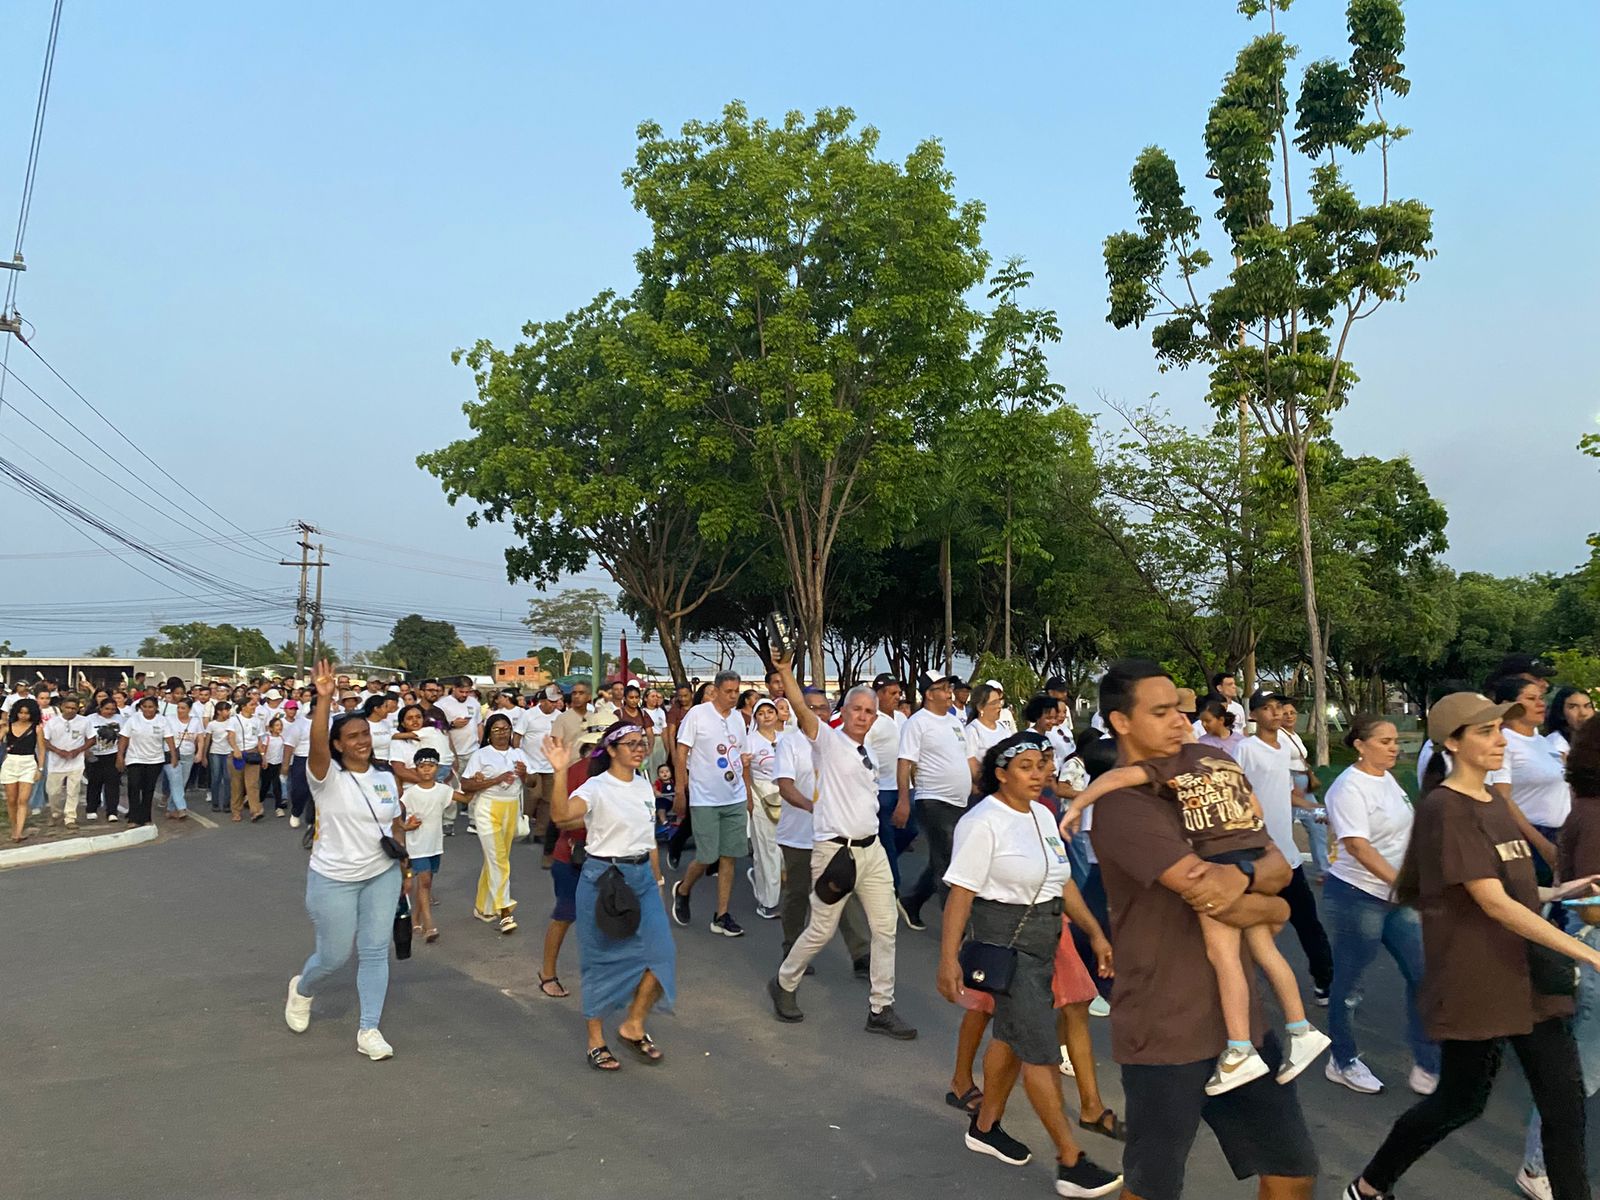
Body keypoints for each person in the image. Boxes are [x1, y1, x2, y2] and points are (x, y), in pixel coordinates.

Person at [1344, 692, 1600, 1200]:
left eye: (1499, 730)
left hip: (1529, 976)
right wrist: (1590, 953)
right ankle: (1370, 1187)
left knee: (1565, 1108)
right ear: (1452, 742)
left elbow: (1511, 889)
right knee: (1460, 1102)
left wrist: (1560, 890)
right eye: (1484, 732)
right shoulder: (1447, 808)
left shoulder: (1492, 802)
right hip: (1478, 980)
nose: (1499, 739)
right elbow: (1493, 903)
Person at [1089, 658, 1319, 1200]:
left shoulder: (1203, 767)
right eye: (1161, 711)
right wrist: (1274, 908)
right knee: (1154, 1185)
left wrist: (1245, 875)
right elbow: (1211, 893)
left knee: (1292, 1171)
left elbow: (1278, 866)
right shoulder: (1125, 809)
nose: (1179, 722)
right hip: (1165, 1026)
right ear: (1121, 722)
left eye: (1181, 710)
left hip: (1241, 1027)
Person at [1062, 737, 1331, 1096]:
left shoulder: (1168, 763)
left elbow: (1116, 778)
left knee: (1223, 956)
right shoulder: (1221, 760)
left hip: (1219, 860)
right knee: (1264, 949)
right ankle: (1301, 1029)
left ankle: (1239, 1050)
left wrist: (1078, 803)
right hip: (1251, 848)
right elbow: (1255, 809)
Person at [935, 732, 1122, 1198]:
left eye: (1043, 764)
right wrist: (947, 959)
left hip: (1046, 938)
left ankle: (985, 1126)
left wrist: (1096, 934)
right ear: (1001, 774)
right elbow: (961, 893)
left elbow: (1063, 882)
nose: (1039, 773)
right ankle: (1070, 1159)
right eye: (1026, 766)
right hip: (1007, 945)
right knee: (1038, 1050)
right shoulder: (982, 822)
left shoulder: (1042, 814)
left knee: (1012, 1038)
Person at [765, 648, 916, 1040]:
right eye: (857, 710)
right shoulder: (829, 743)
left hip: (871, 851)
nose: (863, 716)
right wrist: (785, 670)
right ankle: (784, 983)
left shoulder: (867, 754)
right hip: (835, 853)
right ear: (842, 712)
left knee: (886, 929)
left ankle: (881, 1008)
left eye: (869, 711)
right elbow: (801, 709)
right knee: (821, 930)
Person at [282, 659, 415, 1062]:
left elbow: (395, 824)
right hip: (334, 878)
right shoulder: (326, 777)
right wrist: (324, 699)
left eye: (365, 734)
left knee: (375, 950)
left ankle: (369, 1029)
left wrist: (404, 868)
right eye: (352, 736)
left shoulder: (385, 777)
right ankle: (302, 988)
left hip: (381, 875)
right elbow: (317, 743)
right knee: (335, 956)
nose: (362, 740)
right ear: (338, 744)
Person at [1318, 715, 1439, 1097]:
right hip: (1358, 896)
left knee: (1423, 975)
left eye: (1395, 742)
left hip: (1398, 896)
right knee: (1351, 985)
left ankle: (1428, 1061)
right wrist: (1401, 885)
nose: (1394, 748)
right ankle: (1342, 1059)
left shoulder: (1389, 780)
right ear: (1360, 744)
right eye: (1384, 741)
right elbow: (1357, 846)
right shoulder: (1348, 788)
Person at [548, 722, 677, 1070]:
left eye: (643, 743)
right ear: (612, 750)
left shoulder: (643, 784)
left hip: (642, 878)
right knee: (600, 960)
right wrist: (560, 773)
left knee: (661, 956)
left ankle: (632, 1025)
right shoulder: (596, 787)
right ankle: (595, 1039)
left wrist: (658, 878)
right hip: (604, 877)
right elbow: (561, 817)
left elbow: (648, 837)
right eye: (631, 743)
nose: (639, 748)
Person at [1519, 717, 1600, 1200]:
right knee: (1579, 1073)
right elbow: (1589, 902)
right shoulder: (1593, 816)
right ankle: (1535, 1165)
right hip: (1592, 947)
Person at [1234, 691, 1335, 1004]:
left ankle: (1325, 982)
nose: (1275, 713)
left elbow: (1285, 793)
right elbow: (1235, 792)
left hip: (1288, 856)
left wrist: (1314, 809)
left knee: (1308, 921)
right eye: (1267, 708)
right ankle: (1239, 985)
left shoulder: (1283, 751)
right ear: (1253, 715)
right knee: (1251, 925)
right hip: (1257, 856)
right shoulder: (1245, 749)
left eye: (1278, 707)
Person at [774, 687, 872, 975]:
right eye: (811, 708)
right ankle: (792, 948)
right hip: (798, 835)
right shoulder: (789, 744)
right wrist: (811, 806)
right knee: (799, 893)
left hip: (835, 835)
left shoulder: (842, 743)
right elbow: (785, 785)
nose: (818, 713)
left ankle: (861, 953)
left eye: (823, 708)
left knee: (844, 890)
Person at [670, 671, 753, 938]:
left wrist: (748, 793)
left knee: (728, 856)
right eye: (728, 691)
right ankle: (683, 889)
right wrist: (681, 790)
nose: (733, 696)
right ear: (715, 691)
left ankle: (721, 915)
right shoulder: (698, 714)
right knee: (707, 856)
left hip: (734, 796)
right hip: (704, 797)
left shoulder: (739, 719)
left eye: (736, 691)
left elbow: (742, 757)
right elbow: (681, 751)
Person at [898, 674, 975, 932]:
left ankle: (913, 901)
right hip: (933, 800)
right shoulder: (917, 723)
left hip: (960, 801)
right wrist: (903, 801)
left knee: (941, 859)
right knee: (949, 864)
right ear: (929, 694)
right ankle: (958, 929)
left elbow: (966, 759)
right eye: (943, 688)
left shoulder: (954, 722)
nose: (949, 693)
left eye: (949, 688)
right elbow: (905, 762)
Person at [1488, 675, 1569, 884]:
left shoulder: (1543, 742)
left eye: (1541, 698)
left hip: (1560, 833)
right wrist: (1541, 844)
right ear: (1509, 705)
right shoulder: (1504, 743)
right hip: (1531, 837)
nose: (1541, 704)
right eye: (1531, 699)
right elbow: (1502, 797)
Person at [461, 712, 526, 934]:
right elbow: (466, 784)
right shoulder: (481, 755)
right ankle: (505, 911)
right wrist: (495, 780)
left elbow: (534, 782)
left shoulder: (518, 754)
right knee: (498, 859)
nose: (502, 734)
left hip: (511, 808)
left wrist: (524, 774)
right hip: (487, 809)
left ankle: (483, 907)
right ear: (489, 733)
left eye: (506, 729)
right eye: (496, 730)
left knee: (497, 859)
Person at [400, 748, 462, 944]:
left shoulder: (443, 790)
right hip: (416, 845)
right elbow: (394, 814)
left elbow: (466, 798)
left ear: (437, 767)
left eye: (431, 766)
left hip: (435, 845)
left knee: (426, 883)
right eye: (422, 766)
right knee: (425, 882)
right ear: (416, 768)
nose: (426, 770)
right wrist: (404, 826)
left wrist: (476, 781)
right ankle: (429, 925)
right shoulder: (409, 793)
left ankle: (415, 919)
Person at [866, 674, 913, 892]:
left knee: (910, 830)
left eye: (898, 693)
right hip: (881, 788)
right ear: (879, 694)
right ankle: (892, 889)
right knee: (888, 839)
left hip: (904, 787)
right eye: (892, 693)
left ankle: (878, 864)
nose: (897, 697)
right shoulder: (871, 719)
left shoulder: (902, 718)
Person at [1278, 700, 1328, 881]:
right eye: (1285, 713)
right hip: (1291, 783)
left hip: (1304, 781)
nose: (1289, 716)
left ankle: (1324, 869)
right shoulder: (1278, 736)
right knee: (1284, 829)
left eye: (1292, 712)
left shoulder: (1294, 736)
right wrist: (1291, 787)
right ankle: (1282, 870)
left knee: (1319, 823)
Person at [746, 697, 784, 920]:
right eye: (761, 713)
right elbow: (744, 771)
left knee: (782, 849)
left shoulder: (786, 738)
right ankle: (768, 901)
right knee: (766, 848)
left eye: (771, 711)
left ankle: (767, 885)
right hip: (761, 796)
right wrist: (749, 799)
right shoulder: (750, 741)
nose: (767, 716)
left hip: (785, 797)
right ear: (755, 717)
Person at [517, 685, 561, 859]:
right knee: (533, 796)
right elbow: (518, 736)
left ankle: (541, 831)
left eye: (556, 702)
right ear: (542, 701)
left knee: (548, 799)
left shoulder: (559, 717)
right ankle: (524, 826)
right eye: (550, 702)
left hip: (550, 764)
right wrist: (517, 755)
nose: (554, 705)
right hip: (531, 763)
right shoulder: (529, 715)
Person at [118, 694, 175, 828]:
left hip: (155, 759)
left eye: (151, 707)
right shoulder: (133, 719)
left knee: (148, 789)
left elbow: (169, 738)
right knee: (134, 786)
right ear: (141, 707)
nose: (148, 710)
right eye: (145, 707)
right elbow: (124, 738)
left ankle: (146, 816)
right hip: (135, 758)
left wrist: (173, 755)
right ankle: (133, 817)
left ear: (156, 708)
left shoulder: (162, 721)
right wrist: (120, 755)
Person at [43, 694, 90, 828]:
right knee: (53, 792)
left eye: (73, 708)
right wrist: (58, 751)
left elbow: (91, 739)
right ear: (62, 707)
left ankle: (70, 818)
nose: (70, 710)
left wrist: (78, 750)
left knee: (73, 790)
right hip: (56, 763)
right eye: (68, 707)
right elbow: (45, 741)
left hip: (76, 762)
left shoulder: (84, 721)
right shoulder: (53, 722)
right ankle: (55, 814)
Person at [3, 698, 45, 842]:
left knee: (23, 800)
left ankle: (18, 832)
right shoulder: (7, 726)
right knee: (11, 799)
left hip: (28, 763)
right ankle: (15, 827)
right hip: (11, 762)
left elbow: (41, 749)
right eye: (21, 712)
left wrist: (40, 768)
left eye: (26, 713)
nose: (23, 716)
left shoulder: (37, 728)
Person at [161, 698, 202, 820]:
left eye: (183, 708)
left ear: (189, 709)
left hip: (188, 754)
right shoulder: (169, 719)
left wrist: (199, 753)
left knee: (182, 782)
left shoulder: (195, 721)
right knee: (175, 781)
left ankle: (171, 809)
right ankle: (181, 807)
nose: (180, 710)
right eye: (178, 707)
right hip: (171, 754)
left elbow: (200, 738)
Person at [965, 682, 1010, 792]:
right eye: (994, 703)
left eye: (999, 701)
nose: (999, 706)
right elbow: (971, 763)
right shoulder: (973, 730)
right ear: (981, 707)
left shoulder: (1004, 728)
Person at [229, 695, 266, 823]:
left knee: (253, 784)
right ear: (243, 707)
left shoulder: (257, 721)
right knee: (237, 784)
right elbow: (231, 736)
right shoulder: (234, 720)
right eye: (251, 705)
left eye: (255, 705)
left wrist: (263, 756)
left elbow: (260, 739)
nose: (254, 708)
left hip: (253, 753)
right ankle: (236, 810)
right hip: (238, 754)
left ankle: (255, 810)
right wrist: (235, 749)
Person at [1544, 685, 1595, 760]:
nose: (1583, 713)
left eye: (1587, 706)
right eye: (1573, 707)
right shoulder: (1556, 744)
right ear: (1561, 713)